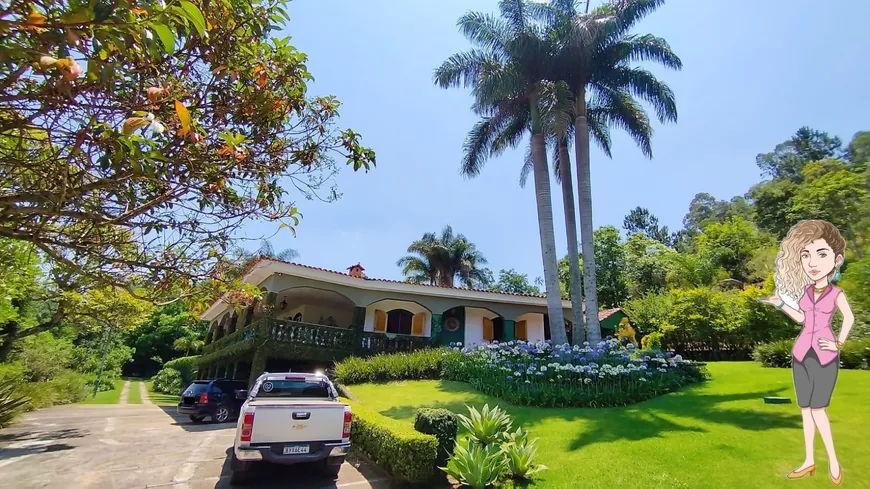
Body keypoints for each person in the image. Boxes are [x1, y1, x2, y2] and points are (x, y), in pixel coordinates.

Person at [759, 220, 854, 486]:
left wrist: (839, 344)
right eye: (805, 255)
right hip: (801, 355)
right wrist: (780, 304)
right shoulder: (806, 292)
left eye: (820, 254)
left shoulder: (836, 293)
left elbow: (848, 319)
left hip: (825, 356)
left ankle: (833, 461)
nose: (812, 262)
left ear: (835, 259)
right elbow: (802, 319)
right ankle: (809, 460)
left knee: (818, 410)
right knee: (805, 409)